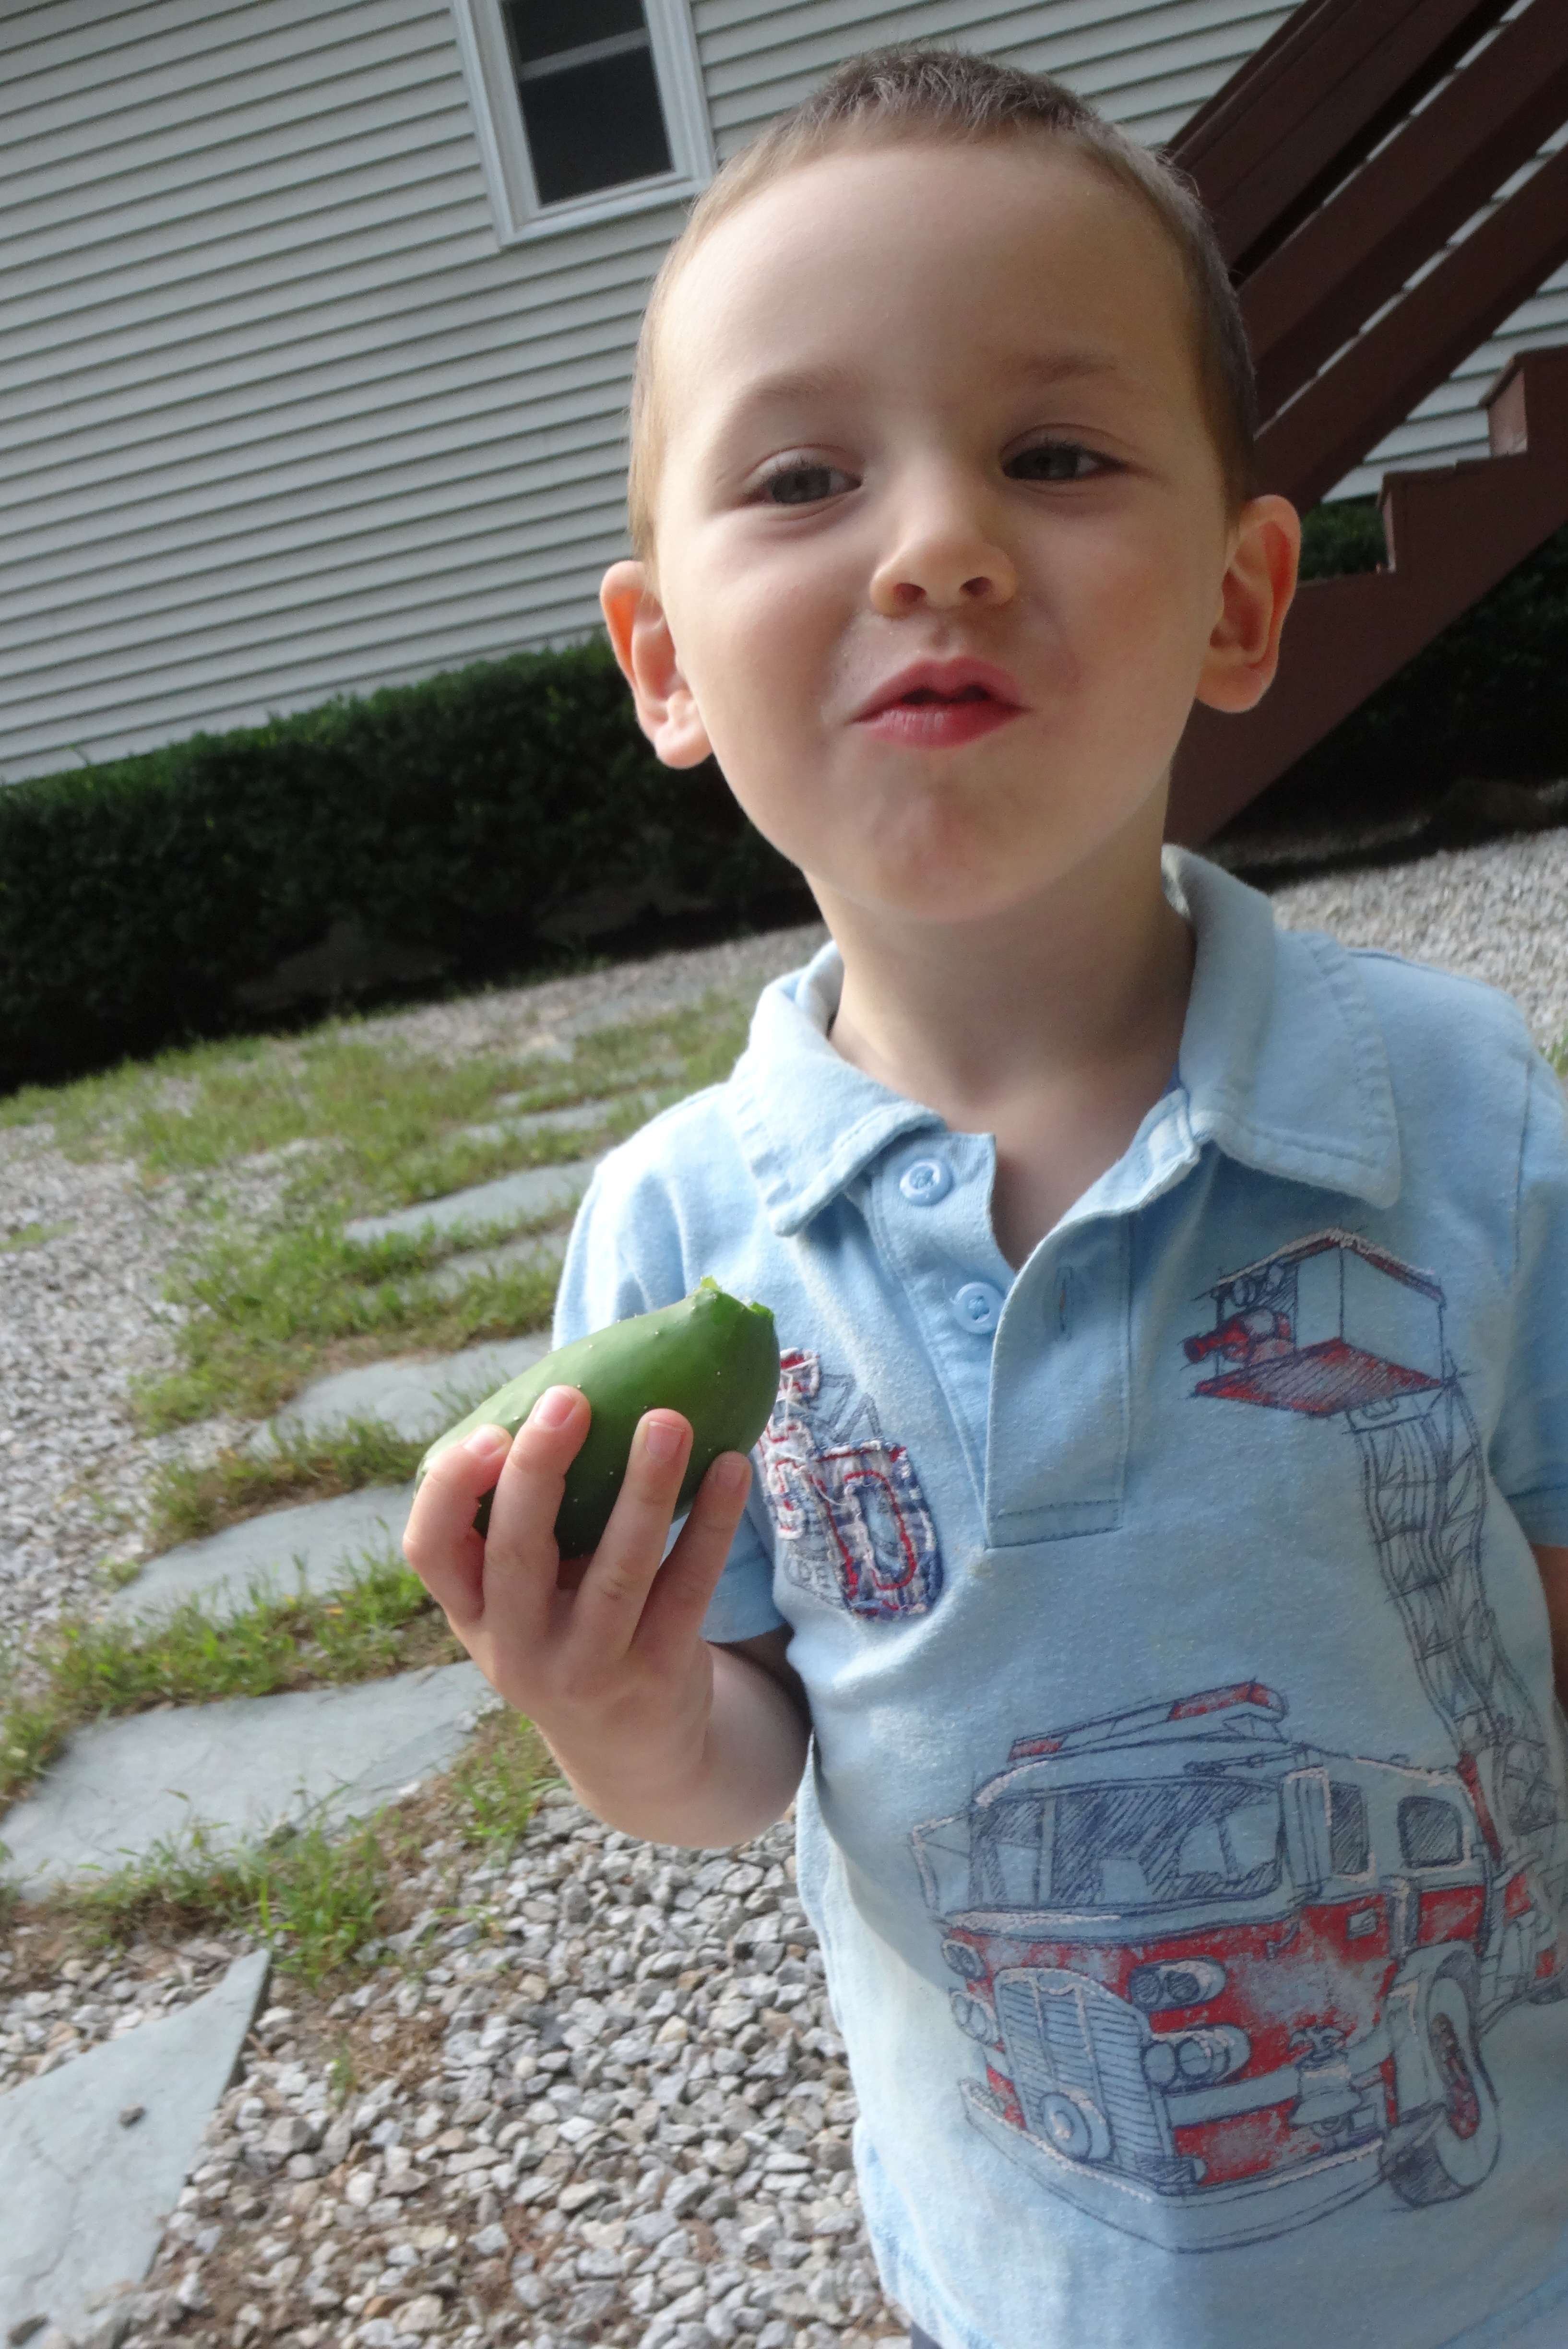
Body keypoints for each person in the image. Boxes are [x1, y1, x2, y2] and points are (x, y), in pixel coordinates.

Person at [404, 46, 1568, 2349]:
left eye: (1051, 455)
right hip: (1026, 2292)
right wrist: (617, 1718)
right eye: (803, 477)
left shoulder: (1459, 1110)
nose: (933, 542)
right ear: (663, 664)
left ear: (1240, 599)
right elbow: (752, 1735)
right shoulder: (681, 1236)